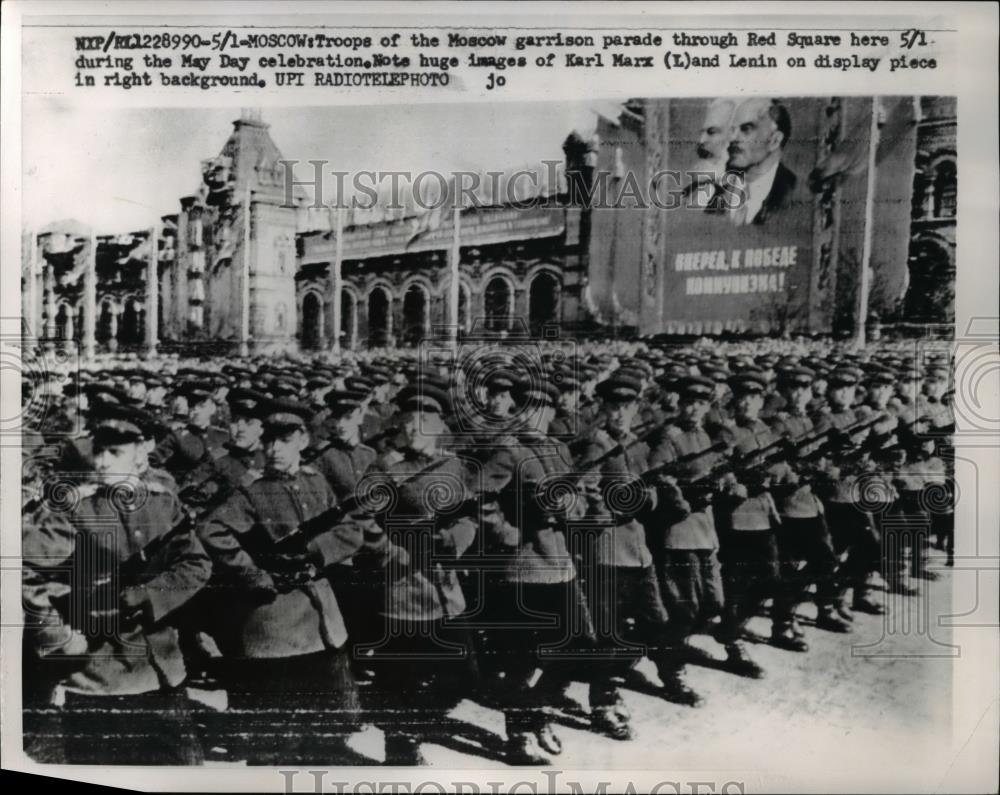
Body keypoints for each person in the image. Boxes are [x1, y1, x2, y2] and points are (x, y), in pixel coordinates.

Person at [22, 403, 211, 764]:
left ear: (142, 453)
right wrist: (59, 638)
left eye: (116, 452)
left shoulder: (161, 503)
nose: (104, 462)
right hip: (99, 676)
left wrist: (148, 596)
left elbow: (195, 563)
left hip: (163, 673)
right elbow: (23, 571)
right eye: (100, 450)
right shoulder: (74, 511)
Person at [197, 399, 370, 765]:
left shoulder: (316, 481)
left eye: (286, 439)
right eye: (270, 440)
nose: (275, 448)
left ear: (303, 441)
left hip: (321, 620)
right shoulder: (252, 490)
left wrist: (314, 552)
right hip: (274, 623)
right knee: (275, 735)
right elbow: (211, 531)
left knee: (327, 728)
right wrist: (253, 573)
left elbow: (351, 529)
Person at [358, 385, 479, 765]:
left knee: (465, 673)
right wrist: (390, 554)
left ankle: (415, 721)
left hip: (444, 586)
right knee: (402, 676)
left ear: (440, 425)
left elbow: (468, 515)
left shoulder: (453, 465)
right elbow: (360, 521)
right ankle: (401, 744)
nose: (416, 429)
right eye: (410, 421)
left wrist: (455, 541)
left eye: (425, 421)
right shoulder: (384, 468)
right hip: (403, 588)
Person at [713, 370, 782, 679]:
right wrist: (733, 483)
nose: (747, 404)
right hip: (737, 517)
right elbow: (717, 467)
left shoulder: (766, 429)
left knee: (769, 579)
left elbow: (780, 463)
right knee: (736, 583)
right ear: (733, 399)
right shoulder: (724, 431)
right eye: (742, 397)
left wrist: (774, 474)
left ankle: (731, 628)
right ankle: (733, 641)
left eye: (754, 398)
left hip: (763, 513)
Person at [710, 97, 797, 226]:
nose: (732, 138)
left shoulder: (794, 192)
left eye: (746, 129)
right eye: (732, 130)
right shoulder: (714, 193)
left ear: (775, 141)